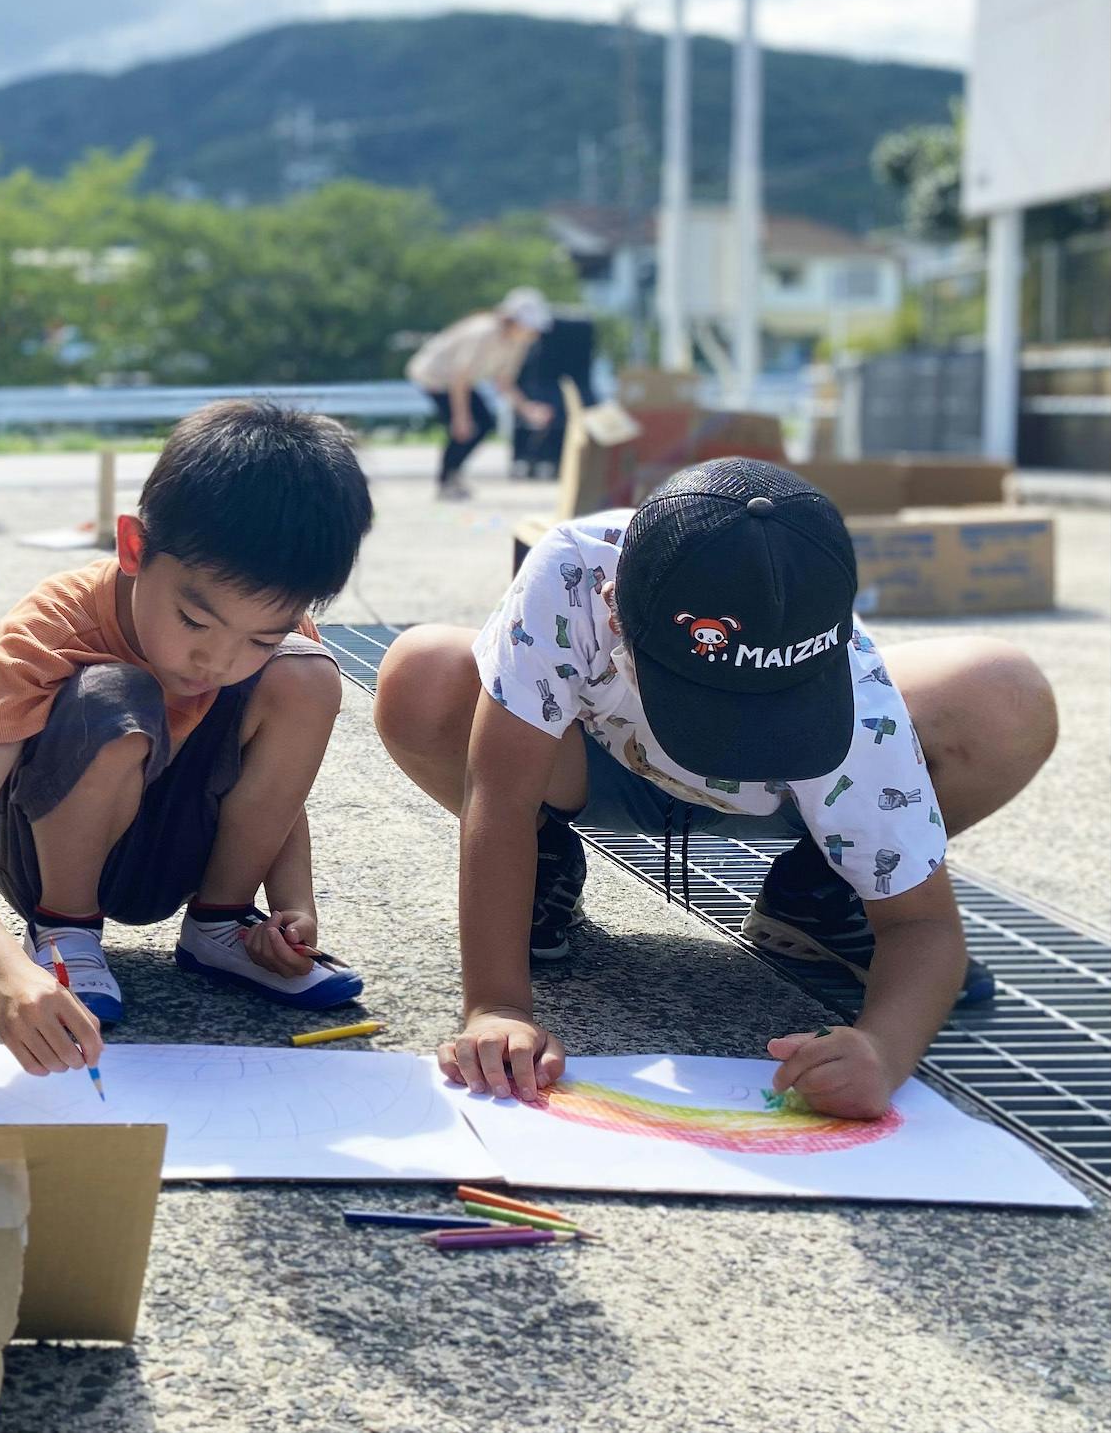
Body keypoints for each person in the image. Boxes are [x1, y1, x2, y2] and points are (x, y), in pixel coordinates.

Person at [372, 458, 1059, 1119]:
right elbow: (500, 794)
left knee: (1003, 691)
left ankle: (822, 891)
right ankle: (544, 857)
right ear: (616, 611)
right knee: (422, 674)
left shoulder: (859, 705)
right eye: (710, 706)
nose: (733, 738)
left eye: (768, 712)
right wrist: (497, 1007)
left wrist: (883, 1049)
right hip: (597, 766)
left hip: (788, 802)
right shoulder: (576, 572)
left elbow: (926, 925)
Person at [0, 401, 375, 1077]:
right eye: (194, 621)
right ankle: (64, 933)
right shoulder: (52, 627)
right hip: (46, 851)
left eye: (259, 637)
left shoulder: (274, 642)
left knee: (307, 675)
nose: (217, 661)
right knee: (114, 697)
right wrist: (2, 973)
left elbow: (274, 786)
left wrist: (294, 909)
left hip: (176, 852)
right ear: (133, 547)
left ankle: (220, 925)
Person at [404, 286, 559, 500]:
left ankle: (453, 475)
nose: (534, 334)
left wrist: (527, 409)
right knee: (463, 428)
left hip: (460, 381)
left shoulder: (518, 342)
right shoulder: (483, 332)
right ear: (513, 320)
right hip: (434, 376)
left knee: (484, 423)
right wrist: (461, 417)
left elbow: (503, 381)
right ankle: (446, 481)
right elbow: (459, 376)